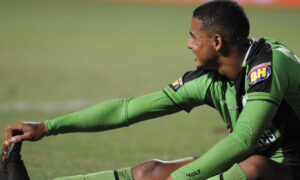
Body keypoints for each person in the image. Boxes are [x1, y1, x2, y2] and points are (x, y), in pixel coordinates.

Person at [1, 0, 300, 179]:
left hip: (286, 169)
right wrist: (46, 127)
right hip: (255, 164)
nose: (189, 44)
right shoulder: (209, 79)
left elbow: (244, 141)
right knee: (150, 172)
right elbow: (127, 110)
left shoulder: (269, 64)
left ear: (217, 42)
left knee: (253, 169)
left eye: (194, 37)